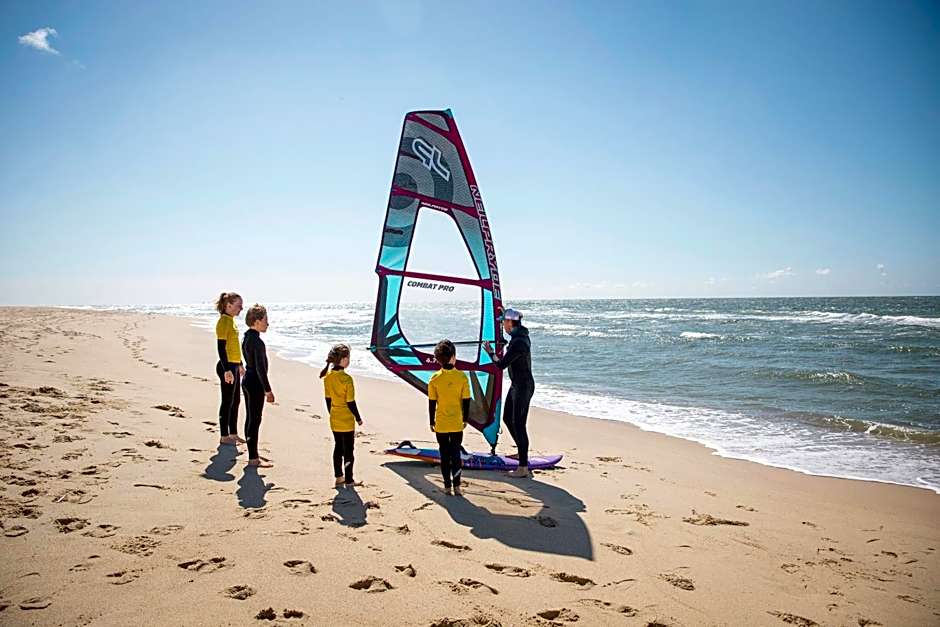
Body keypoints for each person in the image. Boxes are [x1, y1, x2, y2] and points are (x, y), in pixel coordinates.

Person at [483, 308, 534, 478]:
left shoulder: (519, 342)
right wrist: (505, 312)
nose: (502, 325)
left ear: (510, 323)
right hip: (517, 385)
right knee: (507, 418)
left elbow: (501, 364)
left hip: (523, 387)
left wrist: (490, 352)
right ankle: (521, 452)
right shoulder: (518, 336)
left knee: (519, 424)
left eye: (504, 321)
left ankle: (523, 467)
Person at [428, 340, 471, 496]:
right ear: (453, 357)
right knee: (456, 454)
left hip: (441, 423)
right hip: (456, 423)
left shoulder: (435, 378)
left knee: (444, 455)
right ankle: (457, 487)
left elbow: (432, 402)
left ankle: (447, 487)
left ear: (438, 359)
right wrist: (465, 419)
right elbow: (466, 401)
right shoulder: (462, 377)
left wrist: (431, 421)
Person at [320, 344, 363, 487]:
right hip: (346, 419)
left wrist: (332, 413)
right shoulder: (347, 379)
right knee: (349, 450)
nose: (349, 360)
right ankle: (349, 479)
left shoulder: (328, 377)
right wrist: (358, 417)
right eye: (348, 357)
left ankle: (339, 476)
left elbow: (328, 400)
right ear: (344, 359)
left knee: (338, 447)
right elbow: (351, 402)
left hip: (334, 417)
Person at [241, 304, 275, 467]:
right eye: (265, 320)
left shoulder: (247, 337)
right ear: (256, 321)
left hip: (247, 380)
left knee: (250, 418)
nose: (268, 323)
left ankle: (252, 454)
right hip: (255, 383)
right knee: (255, 419)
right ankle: (253, 458)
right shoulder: (258, 342)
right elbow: (261, 369)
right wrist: (268, 390)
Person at [215, 292, 245, 446]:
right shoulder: (223, 322)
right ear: (228, 305)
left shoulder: (231, 321)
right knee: (227, 401)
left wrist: (239, 363)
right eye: (239, 305)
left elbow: (234, 346)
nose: (241, 308)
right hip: (226, 366)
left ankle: (233, 434)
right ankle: (224, 435)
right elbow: (221, 348)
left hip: (233, 365)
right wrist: (227, 369)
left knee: (236, 400)